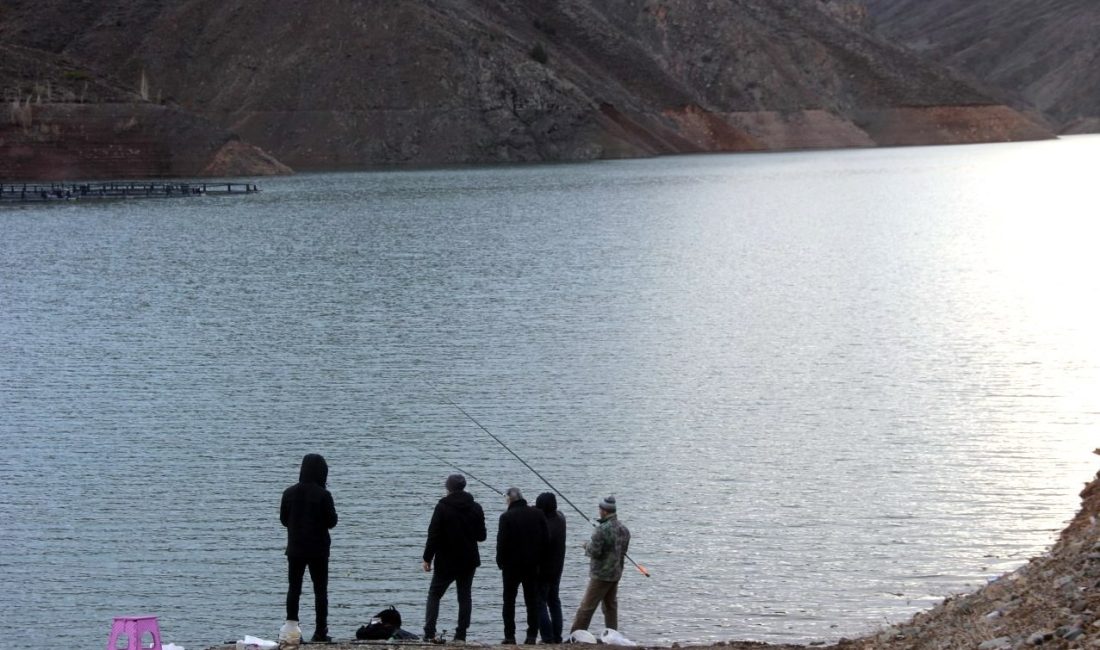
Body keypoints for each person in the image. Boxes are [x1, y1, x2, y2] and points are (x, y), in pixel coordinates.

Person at [422, 474, 488, 643]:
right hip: (469, 561)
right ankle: (461, 635)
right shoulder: (476, 507)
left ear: (448, 488)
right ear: (464, 487)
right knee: (464, 596)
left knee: (434, 594)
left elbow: (433, 535)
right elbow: (482, 536)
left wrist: (427, 558)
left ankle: (429, 633)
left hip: (446, 560)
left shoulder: (442, 507)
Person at [280, 453, 339, 643]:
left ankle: (291, 630)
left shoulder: (288, 493)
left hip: (295, 549)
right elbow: (332, 522)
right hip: (318, 550)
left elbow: (283, 520)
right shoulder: (323, 495)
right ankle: (321, 631)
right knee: (320, 590)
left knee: (294, 588)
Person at [569, 496, 630, 635]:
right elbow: (623, 551)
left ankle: (576, 635)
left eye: (600, 509)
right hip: (616, 573)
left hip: (601, 575)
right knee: (610, 606)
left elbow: (594, 552)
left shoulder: (601, 530)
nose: (599, 511)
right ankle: (613, 634)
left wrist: (586, 546)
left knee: (586, 607)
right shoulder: (624, 529)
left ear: (604, 511)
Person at [496, 487, 549, 644]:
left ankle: (509, 636)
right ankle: (532, 635)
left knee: (509, 601)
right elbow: (546, 540)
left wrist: (500, 562)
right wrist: (540, 561)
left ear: (509, 500)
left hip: (511, 567)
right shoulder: (538, 514)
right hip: (532, 565)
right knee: (531, 601)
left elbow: (501, 543)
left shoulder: (506, 517)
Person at [535, 492, 567, 644]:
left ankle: (547, 638)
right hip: (557, 568)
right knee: (554, 601)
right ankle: (557, 637)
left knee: (539, 603)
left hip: (542, 571)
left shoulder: (543, 526)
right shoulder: (561, 519)